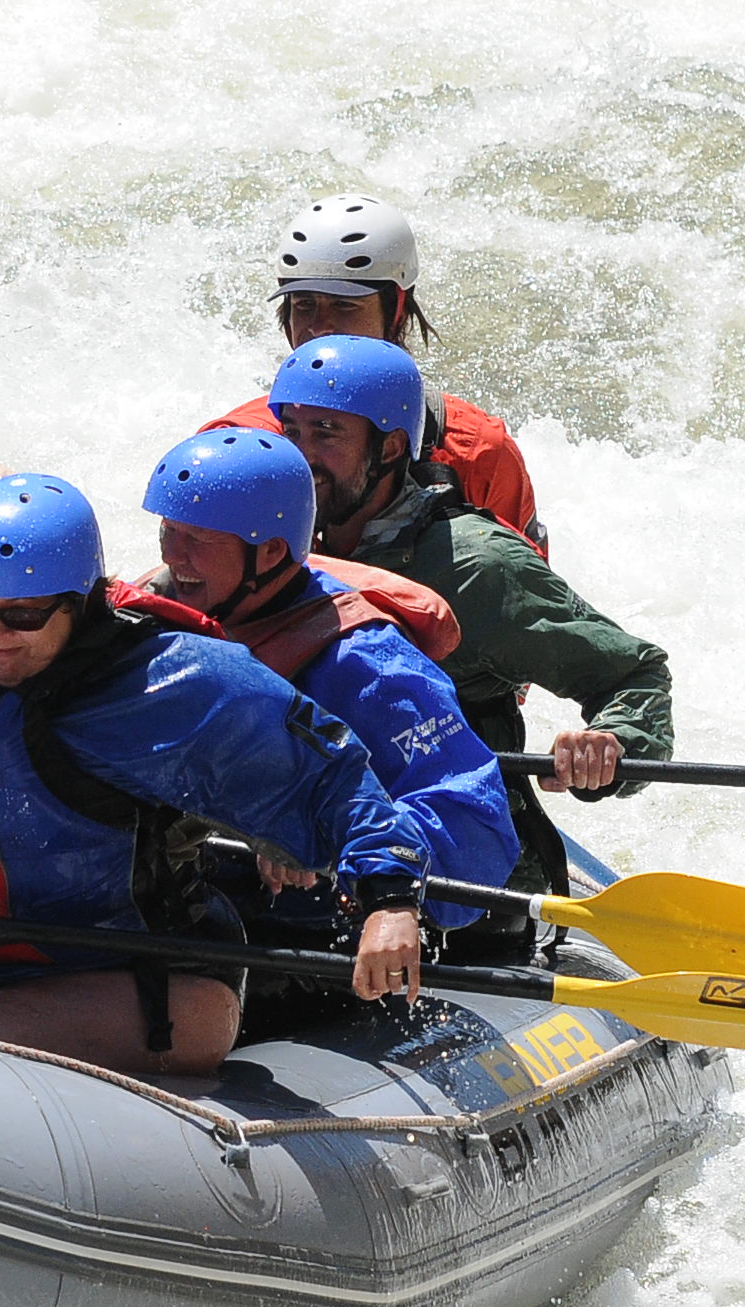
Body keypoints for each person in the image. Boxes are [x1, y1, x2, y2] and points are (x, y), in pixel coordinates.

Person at [0, 476, 431, 1077]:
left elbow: (333, 778)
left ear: (79, 603)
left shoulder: (174, 681)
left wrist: (390, 898)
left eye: (22, 614)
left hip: (148, 984)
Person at [271, 337, 673, 918]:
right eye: (293, 432)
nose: (301, 456)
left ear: (390, 447)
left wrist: (612, 742)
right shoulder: (272, 543)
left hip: (461, 869)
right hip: (322, 843)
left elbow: (634, 674)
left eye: (327, 434)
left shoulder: (476, 567)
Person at [142, 425, 519, 928]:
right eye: (169, 530)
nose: (173, 555)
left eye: (198, 538)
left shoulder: (367, 665)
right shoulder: (157, 613)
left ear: (271, 552)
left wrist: (316, 834)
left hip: (311, 929)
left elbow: (477, 832)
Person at [206, 194, 547, 556]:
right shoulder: (239, 443)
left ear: (396, 309)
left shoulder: (477, 451)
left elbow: (518, 591)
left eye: (344, 305)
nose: (320, 329)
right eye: (304, 305)